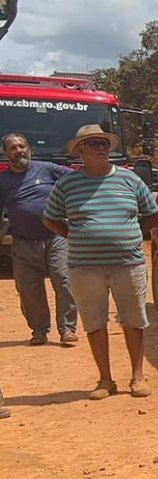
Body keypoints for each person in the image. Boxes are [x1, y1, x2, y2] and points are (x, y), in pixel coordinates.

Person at [42, 124, 158, 399]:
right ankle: (105, 380)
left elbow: (152, 214)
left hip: (128, 264)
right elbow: (50, 218)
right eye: (94, 143)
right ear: (80, 149)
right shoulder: (67, 183)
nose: (101, 148)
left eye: (104, 143)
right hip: (84, 268)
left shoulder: (130, 180)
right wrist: (78, 236)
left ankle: (137, 377)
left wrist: (129, 236)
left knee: (134, 320)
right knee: (94, 322)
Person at [0, 133, 78, 346]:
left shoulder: (48, 169)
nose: (19, 151)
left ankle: (68, 329)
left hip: (56, 238)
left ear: (29, 148)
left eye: (22, 146)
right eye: (13, 148)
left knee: (64, 281)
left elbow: (77, 180)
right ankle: (39, 331)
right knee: (28, 289)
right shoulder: (3, 181)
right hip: (23, 242)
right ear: (5, 153)